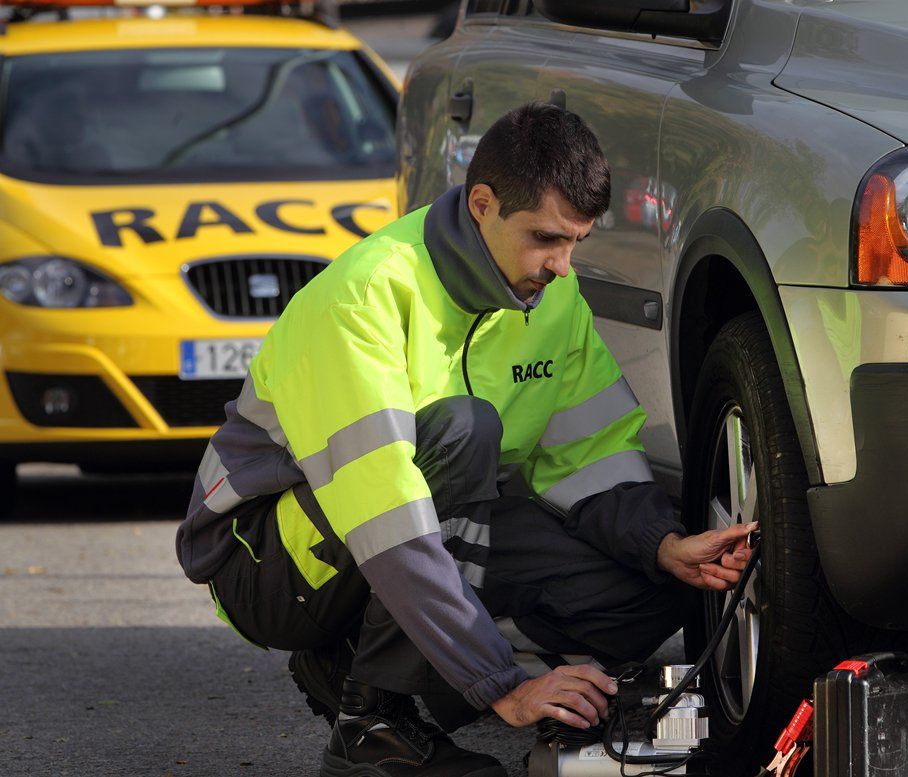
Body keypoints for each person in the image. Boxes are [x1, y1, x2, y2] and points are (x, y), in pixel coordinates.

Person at [176, 102, 756, 777]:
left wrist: (664, 544)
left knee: (648, 588)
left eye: (575, 241)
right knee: (461, 429)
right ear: (481, 204)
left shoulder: (552, 296)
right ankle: (373, 723)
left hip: (413, 527)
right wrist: (501, 684)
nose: (563, 265)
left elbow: (586, 453)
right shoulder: (365, 295)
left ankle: (364, 663)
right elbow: (386, 514)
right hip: (267, 561)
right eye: (544, 238)